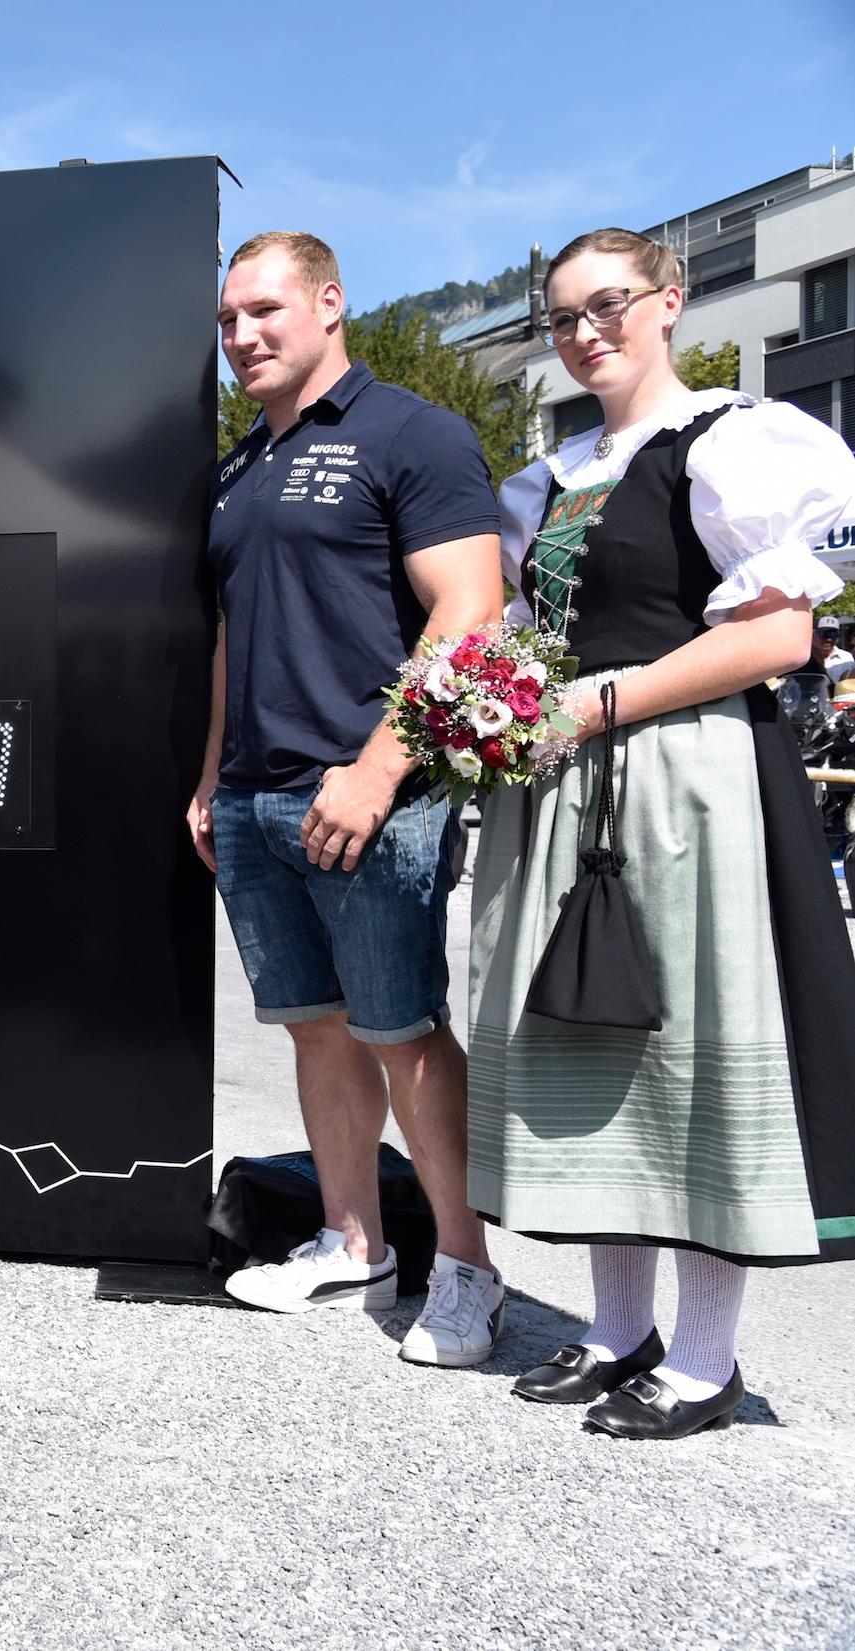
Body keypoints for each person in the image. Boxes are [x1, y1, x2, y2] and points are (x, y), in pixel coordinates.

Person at [469, 228, 855, 1439]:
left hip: (690, 778)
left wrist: (603, 700)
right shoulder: (550, 473)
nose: (586, 332)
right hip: (574, 782)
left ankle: (704, 1357)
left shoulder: (738, 441)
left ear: (669, 303)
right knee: (595, 1052)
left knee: (687, 1048)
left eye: (609, 305)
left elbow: (779, 637)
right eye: (563, 317)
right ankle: (616, 1330)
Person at [194, 232, 509, 1362]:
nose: (242, 337)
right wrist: (210, 778)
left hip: (372, 796)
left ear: (330, 305)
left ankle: (467, 1269)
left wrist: (376, 771)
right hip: (254, 798)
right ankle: (352, 1242)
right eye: (229, 320)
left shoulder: (411, 433)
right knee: (315, 1033)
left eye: (265, 311)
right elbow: (235, 633)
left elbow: (469, 610)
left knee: (404, 1034)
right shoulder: (236, 468)